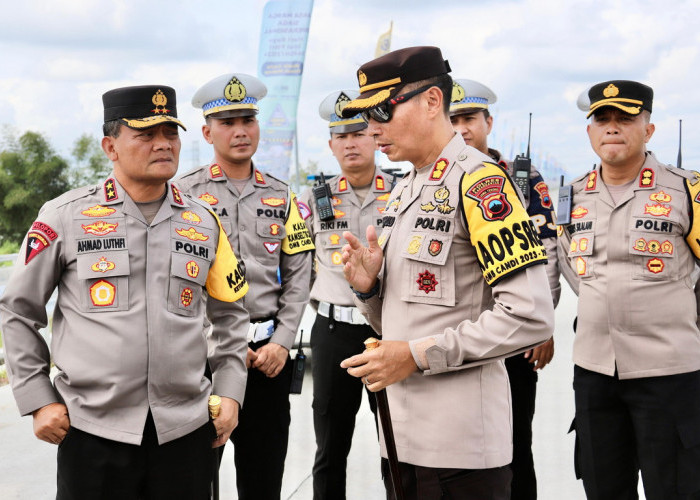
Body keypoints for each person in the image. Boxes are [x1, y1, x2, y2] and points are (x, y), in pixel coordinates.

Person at [0, 85, 250, 499]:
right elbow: (18, 309)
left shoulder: (204, 221)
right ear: (110, 146)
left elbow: (231, 314)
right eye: (146, 134)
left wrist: (230, 391)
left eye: (170, 133)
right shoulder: (65, 216)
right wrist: (38, 398)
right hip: (91, 430)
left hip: (184, 430)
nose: (163, 144)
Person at [337, 46, 555, 500]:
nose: (372, 127)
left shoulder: (480, 183)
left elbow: (531, 314)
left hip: (460, 450)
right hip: (401, 436)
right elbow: (400, 321)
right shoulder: (408, 188)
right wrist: (370, 288)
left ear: (432, 102)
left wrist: (416, 356)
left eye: (381, 110)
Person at [558, 80, 700, 500]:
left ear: (648, 129)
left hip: (669, 374)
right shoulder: (572, 195)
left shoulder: (687, 190)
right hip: (595, 373)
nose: (613, 128)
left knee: (676, 491)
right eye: (602, 119)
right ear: (590, 133)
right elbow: (570, 267)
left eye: (625, 118)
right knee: (603, 489)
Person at [177, 73, 314, 500]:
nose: (240, 131)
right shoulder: (183, 196)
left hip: (267, 361)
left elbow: (298, 276)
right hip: (206, 363)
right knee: (198, 482)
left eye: (248, 120)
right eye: (227, 122)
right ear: (207, 132)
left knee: (263, 480)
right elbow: (176, 283)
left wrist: (284, 342)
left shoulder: (280, 195)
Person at [449, 78, 560, 500]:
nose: (462, 129)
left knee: (517, 446)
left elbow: (546, 250)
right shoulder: (439, 177)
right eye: (453, 119)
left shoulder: (522, 178)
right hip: (459, 335)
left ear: (488, 121)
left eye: (470, 118)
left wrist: (543, 325)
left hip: (514, 338)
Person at [299, 89, 392, 500]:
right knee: (330, 447)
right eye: (342, 136)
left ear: (375, 135)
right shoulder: (312, 198)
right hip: (333, 330)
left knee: (396, 444)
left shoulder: (403, 191)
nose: (351, 142)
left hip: (387, 331)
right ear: (331, 145)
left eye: (359, 132)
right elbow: (298, 266)